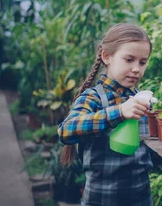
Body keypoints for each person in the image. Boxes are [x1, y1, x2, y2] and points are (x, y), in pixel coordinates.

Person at [58, 23, 154, 206]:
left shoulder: (139, 99)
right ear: (106, 56)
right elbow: (66, 131)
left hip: (141, 198)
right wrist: (119, 112)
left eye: (142, 62)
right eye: (129, 59)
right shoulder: (93, 98)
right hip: (101, 200)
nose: (136, 68)